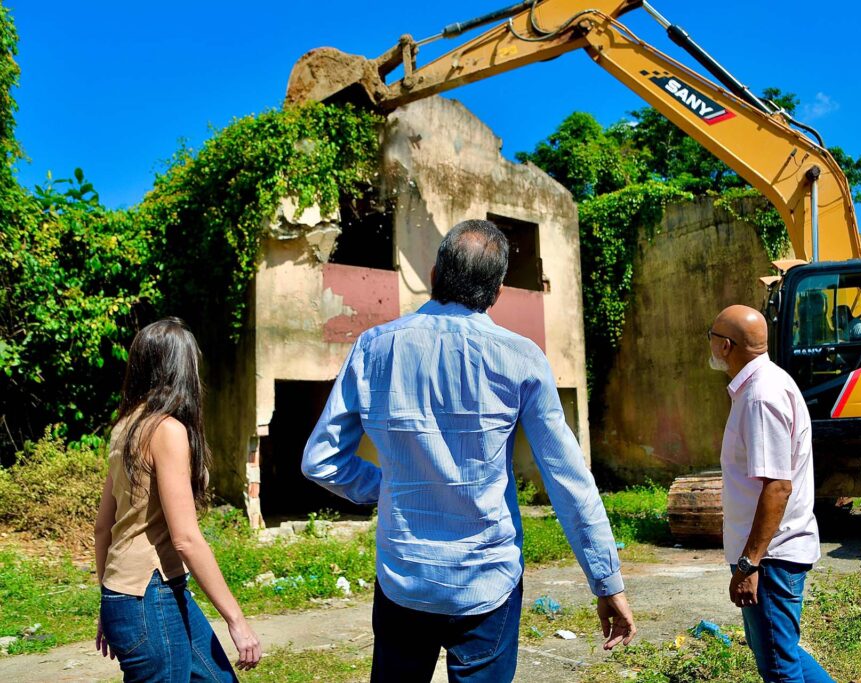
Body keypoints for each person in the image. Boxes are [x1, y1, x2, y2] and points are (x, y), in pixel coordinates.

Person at [302, 219, 636, 682]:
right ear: (497, 291)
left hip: (404, 577)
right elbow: (569, 480)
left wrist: (386, 487)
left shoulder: (374, 349)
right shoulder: (521, 357)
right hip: (488, 582)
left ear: (435, 276)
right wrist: (607, 581)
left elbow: (321, 460)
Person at [94, 318, 261, 681]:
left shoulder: (124, 427)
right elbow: (186, 538)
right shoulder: (166, 430)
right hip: (149, 597)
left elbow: (103, 526)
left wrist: (109, 604)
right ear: (181, 369)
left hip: (144, 594)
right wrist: (237, 621)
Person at [707, 305, 833, 683]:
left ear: (726, 346)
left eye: (711, 338)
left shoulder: (761, 396)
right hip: (769, 554)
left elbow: (777, 487)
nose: (710, 346)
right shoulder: (762, 385)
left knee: (779, 669)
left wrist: (749, 564)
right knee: (781, 651)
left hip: (770, 557)